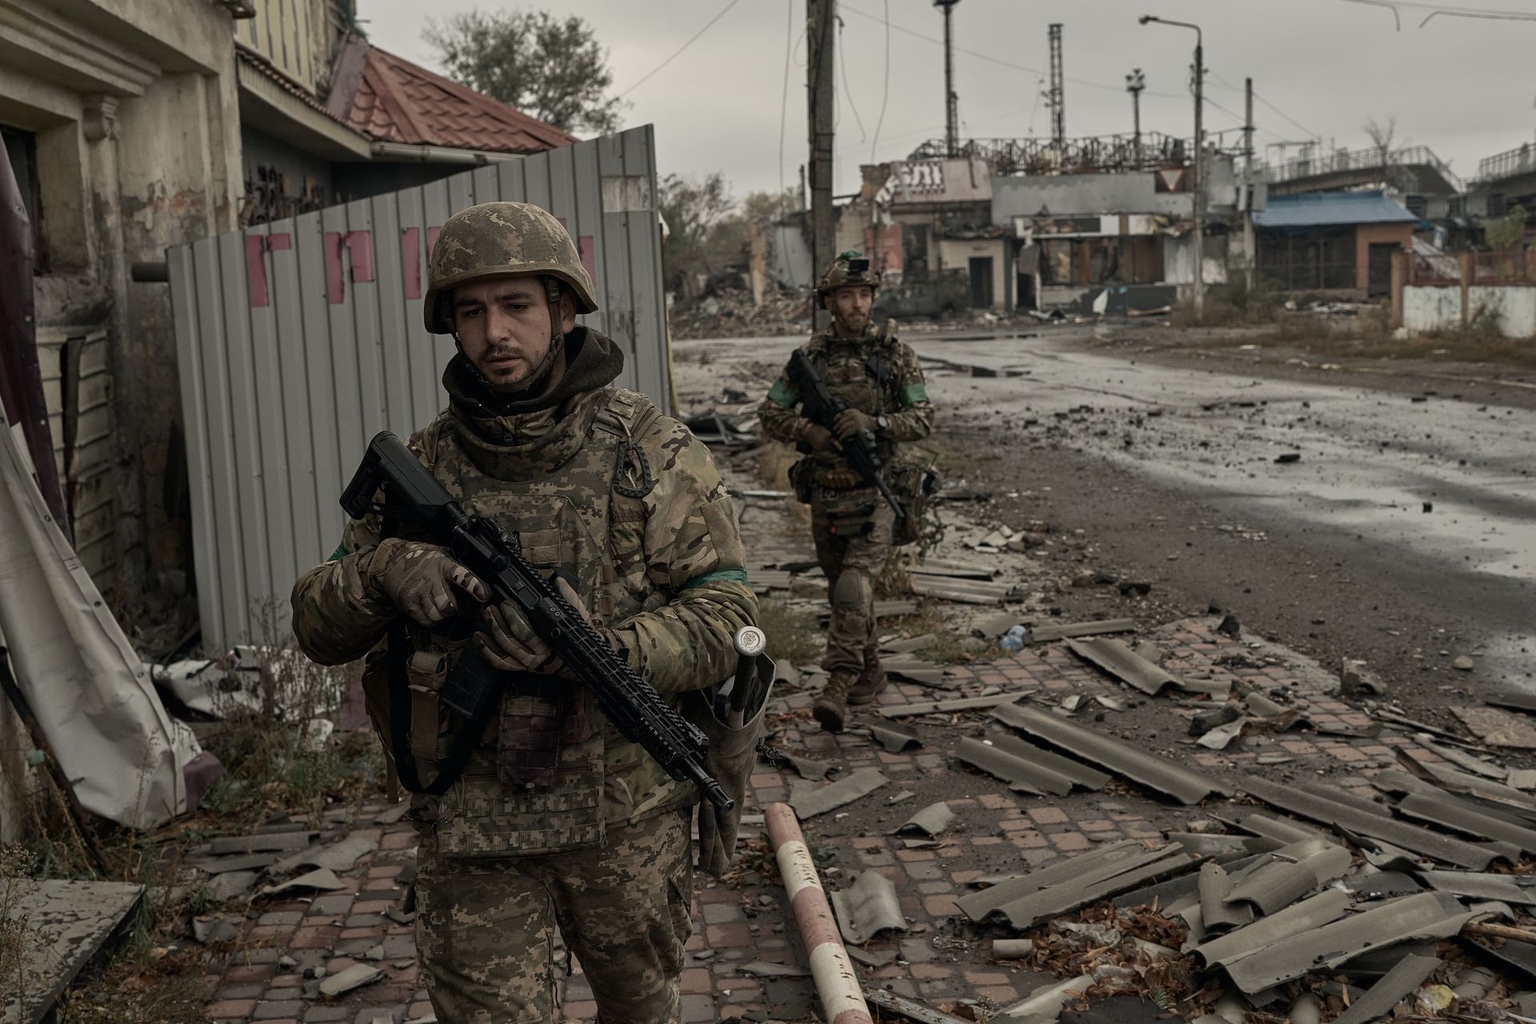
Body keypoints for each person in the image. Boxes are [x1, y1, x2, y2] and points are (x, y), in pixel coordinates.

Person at [290, 201, 757, 1023]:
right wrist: (386, 571)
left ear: (564, 310)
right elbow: (315, 625)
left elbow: (729, 614)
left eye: (516, 307)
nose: (493, 332)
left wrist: (611, 647)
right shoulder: (422, 468)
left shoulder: (649, 449)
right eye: (470, 313)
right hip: (472, 831)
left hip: (626, 824)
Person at [757, 252, 935, 733]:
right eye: (846, 296)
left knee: (855, 586)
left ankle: (838, 681)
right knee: (846, 596)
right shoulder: (810, 360)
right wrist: (809, 431)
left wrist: (874, 422)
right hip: (827, 495)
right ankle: (871, 672)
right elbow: (769, 413)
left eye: (863, 295)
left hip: (876, 492)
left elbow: (923, 419)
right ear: (829, 303)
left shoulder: (896, 354)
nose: (857, 304)